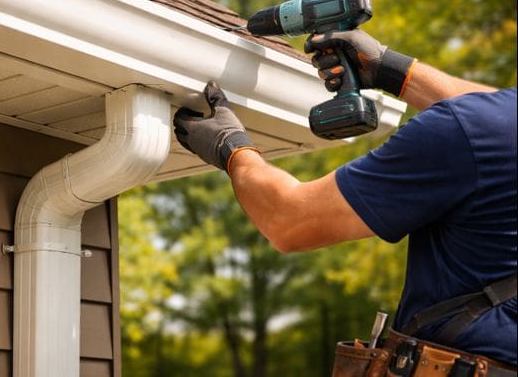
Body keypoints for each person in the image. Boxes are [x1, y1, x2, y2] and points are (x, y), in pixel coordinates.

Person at [173, 29, 517, 369]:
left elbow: (288, 220)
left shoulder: (468, 131)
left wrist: (232, 149)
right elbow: (489, 119)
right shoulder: (485, 127)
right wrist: (395, 71)